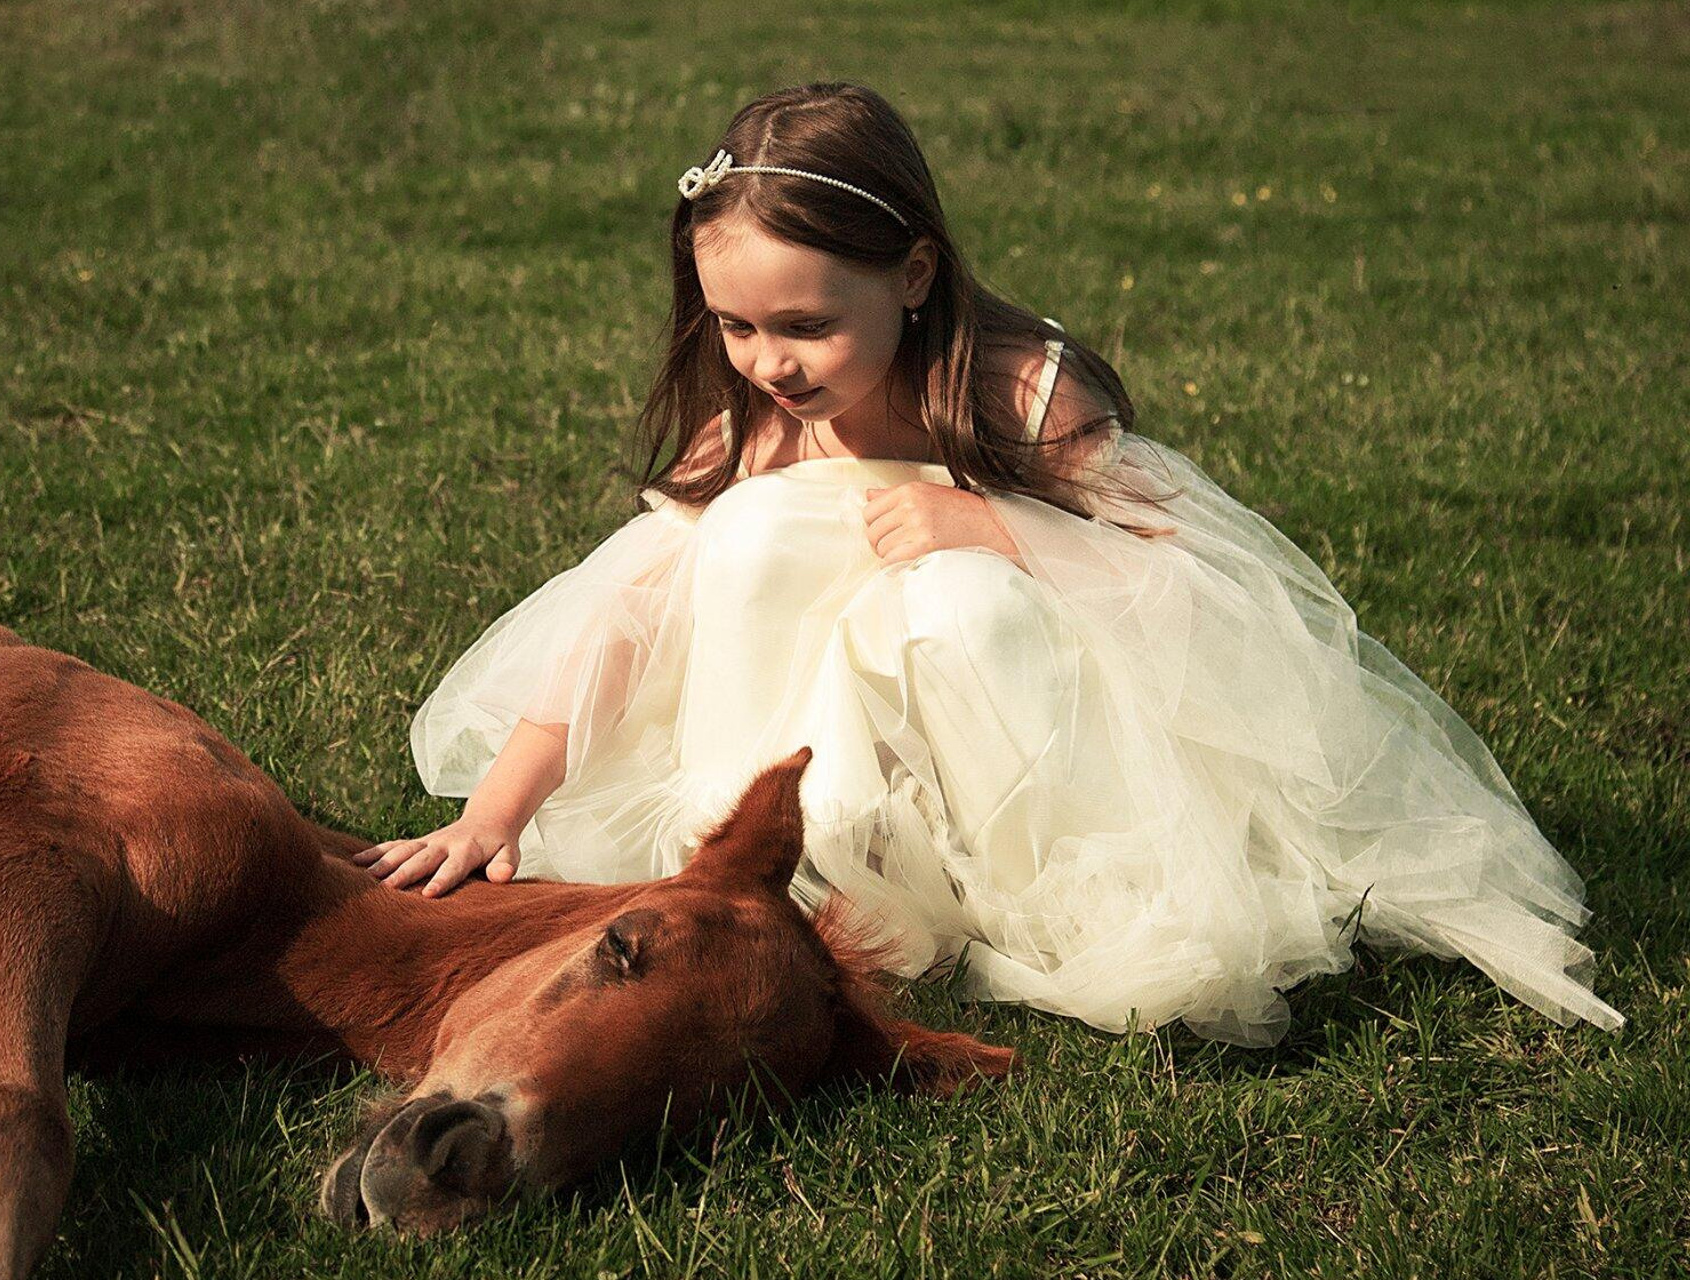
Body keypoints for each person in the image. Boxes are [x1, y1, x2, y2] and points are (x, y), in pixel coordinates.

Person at [355, 82, 1623, 1047]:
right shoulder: (757, 419)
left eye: (805, 326)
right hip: (803, 734)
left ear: (913, 275)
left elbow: (1197, 592)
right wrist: (502, 802)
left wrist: (1006, 529)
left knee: (955, 598)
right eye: (736, 325)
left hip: (1017, 742)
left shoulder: (1014, 390)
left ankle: (997, 893)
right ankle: (777, 865)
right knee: (730, 538)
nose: (770, 361)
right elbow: (635, 604)